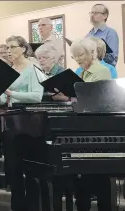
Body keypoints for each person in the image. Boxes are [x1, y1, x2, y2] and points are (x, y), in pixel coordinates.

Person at [51, 37, 111, 211]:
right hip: (81, 126)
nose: (78, 59)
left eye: (81, 55)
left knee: (99, 175)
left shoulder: (101, 71)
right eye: (75, 56)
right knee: (82, 174)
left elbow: (97, 101)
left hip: (97, 128)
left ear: (92, 53)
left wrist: (68, 97)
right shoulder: (81, 72)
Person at [0, 35, 43, 211]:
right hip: (11, 120)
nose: (9, 51)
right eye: (7, 48)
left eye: (12, 47)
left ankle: (33, 206)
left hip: (29, 121)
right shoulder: (8, 69)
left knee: (31, 169)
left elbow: (37, 96)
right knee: (13, 168)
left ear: (23, 49)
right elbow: (2, 99)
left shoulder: (33, 68)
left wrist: (12, 93)